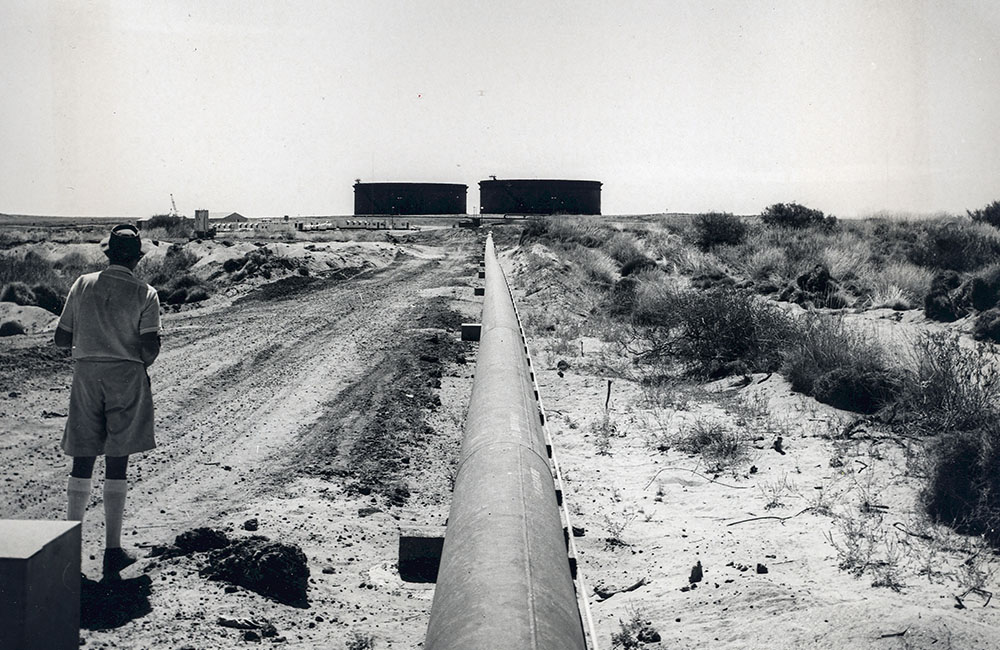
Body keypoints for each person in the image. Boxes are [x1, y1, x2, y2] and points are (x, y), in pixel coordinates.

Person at [54, 224, 161, 578]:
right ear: (137, 258)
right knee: (117, 460)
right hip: (126, 377)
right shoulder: (146, 293)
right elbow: (150, 347)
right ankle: (112, 551)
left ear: (109, 253)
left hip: (87, 375)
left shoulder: (82, 284)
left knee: (82, 459)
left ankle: (70, 551)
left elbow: (60, 338)